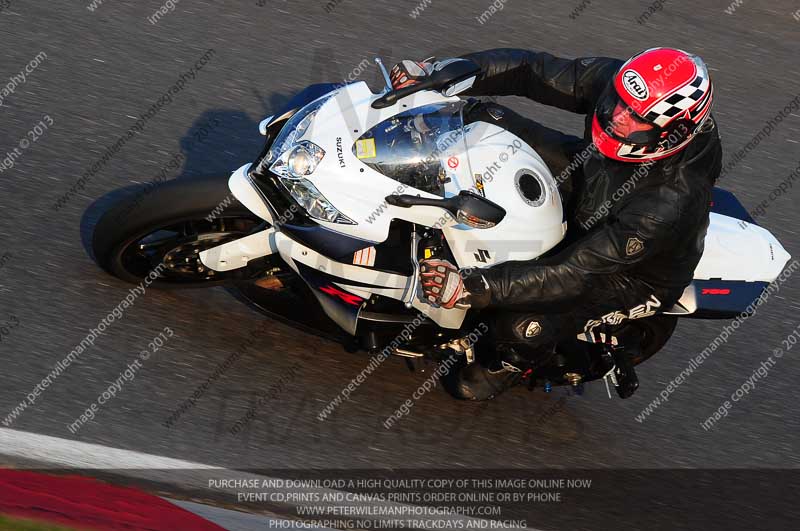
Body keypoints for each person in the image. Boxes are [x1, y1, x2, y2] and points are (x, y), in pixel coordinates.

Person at [391, 48, 722, 400]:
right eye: (619, 102)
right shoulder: (626, 90)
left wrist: (473, 288)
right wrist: (448, 72)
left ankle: (510, 364)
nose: (618, 117)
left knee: (518, 327)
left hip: (625, 275)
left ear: (671, 134)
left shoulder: (668, 201)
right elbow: (532, 70)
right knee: (485, 118)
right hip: (597, 176)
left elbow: (576, 272)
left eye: (636, 117)